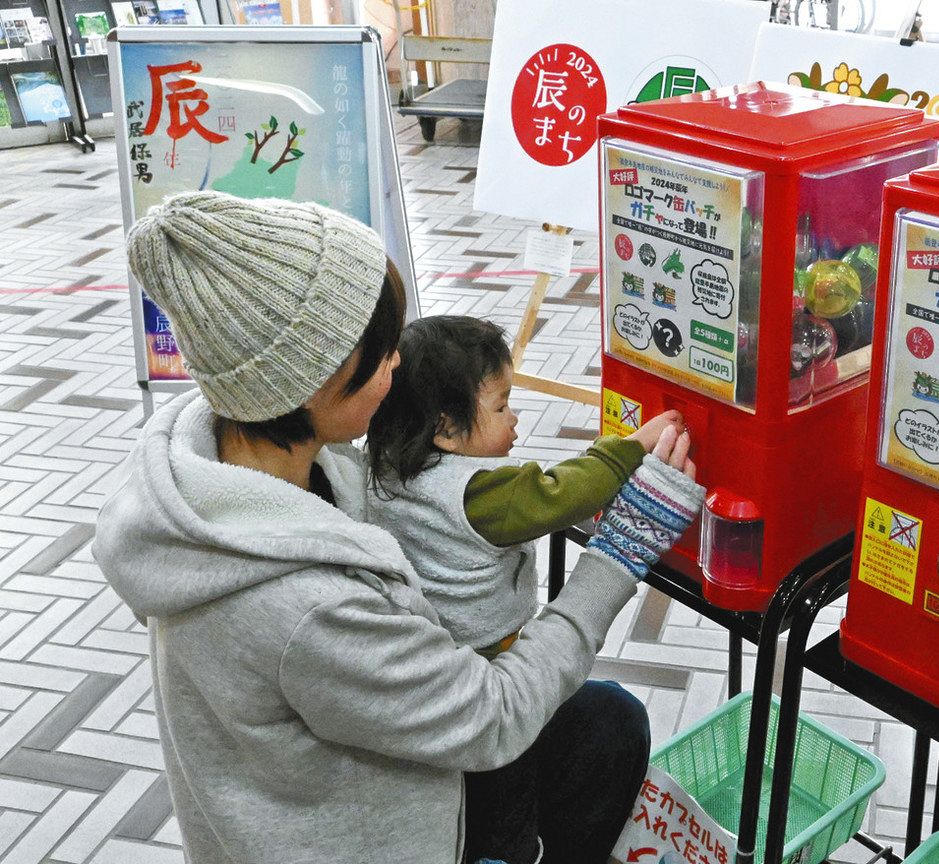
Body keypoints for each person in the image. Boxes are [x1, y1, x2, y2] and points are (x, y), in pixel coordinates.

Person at [93, 191, 705, 864]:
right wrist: (622, 549)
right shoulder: (303, 606)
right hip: (362, 838)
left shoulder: (239, 461)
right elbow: (491, 717)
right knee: (578, 733)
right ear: (310, 378)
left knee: (605, 721)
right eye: (382, 349)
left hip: (379, 777)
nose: (397, 365)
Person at [365, 315, 688, 864]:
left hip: (443, 676)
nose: (515, 419)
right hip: (489, 680)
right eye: (500, 407)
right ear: (445, 427)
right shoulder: (476, 493)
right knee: (503, 796)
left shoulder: (388, 470)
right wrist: (628, 451)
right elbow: (555, 495)